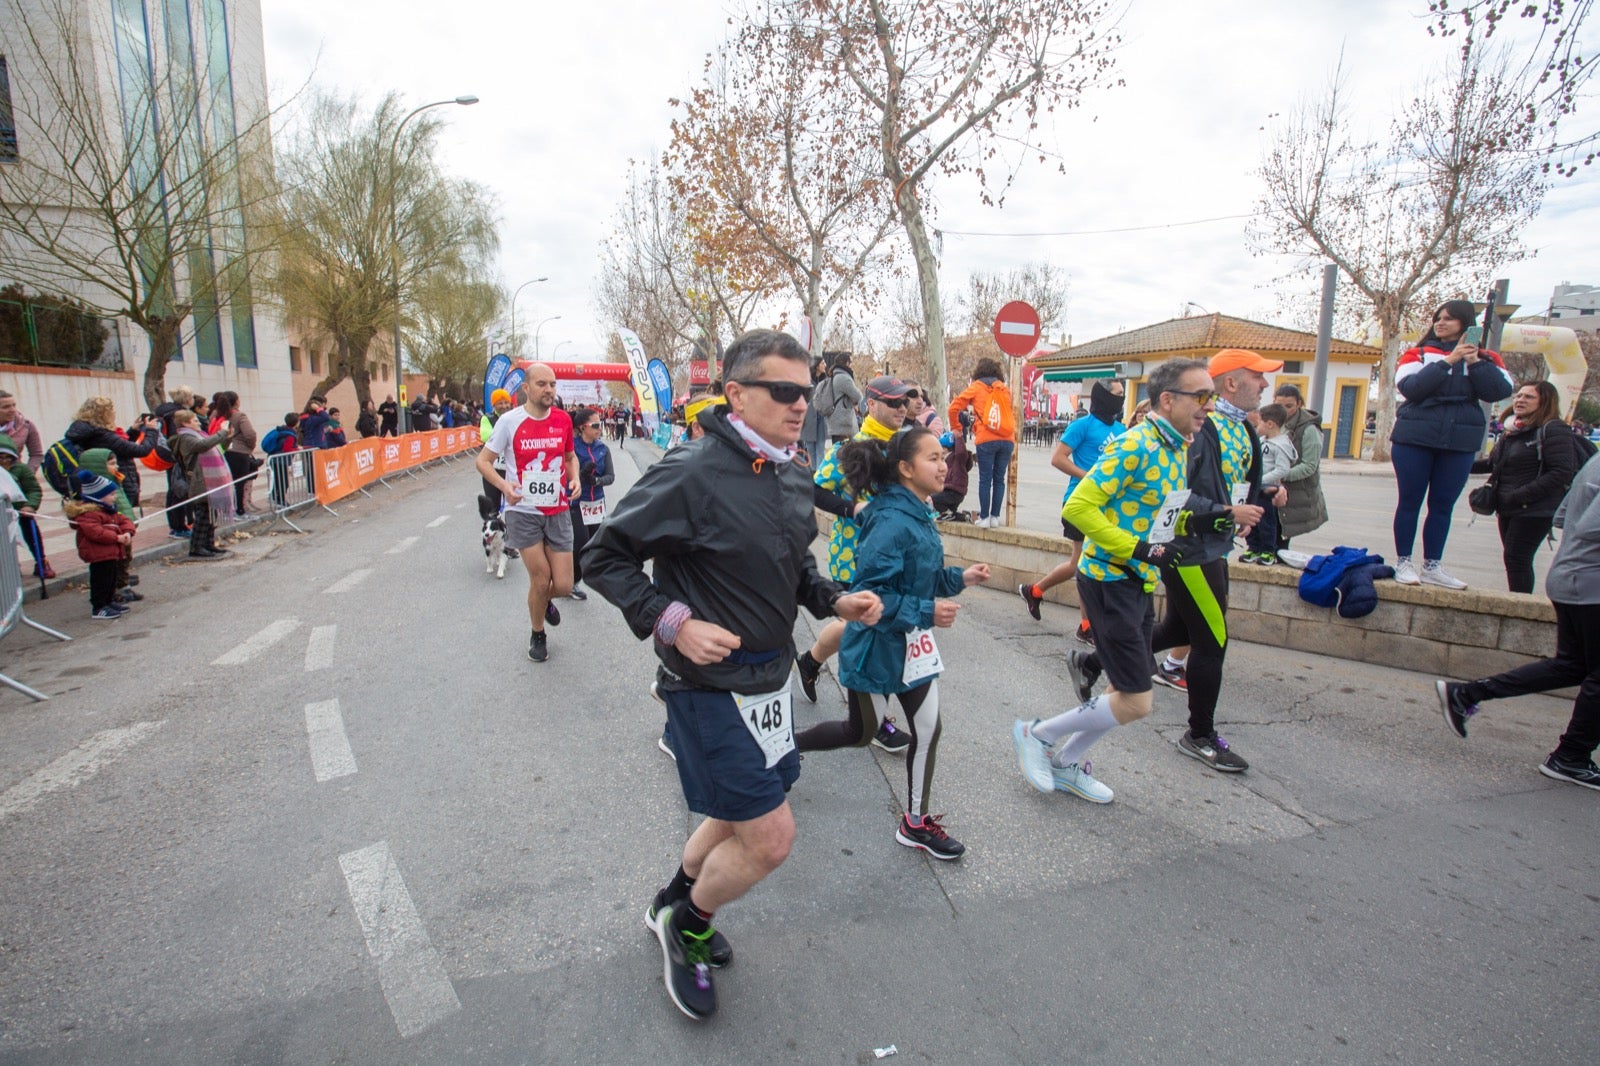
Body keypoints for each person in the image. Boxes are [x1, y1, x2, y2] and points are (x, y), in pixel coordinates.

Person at [582, 329, 883, 1021]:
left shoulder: (791, 466)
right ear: (736, 393)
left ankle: (671, 900)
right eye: (783, 391)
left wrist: (832, 598)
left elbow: (794, 563)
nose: (799, 404)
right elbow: (605, 557)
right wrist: (672, 621)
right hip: (705, 687)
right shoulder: (691, 472)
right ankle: (686, 925)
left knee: (733, 810)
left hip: (770, 684)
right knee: (771, 837)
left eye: (805, 392)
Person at [1012, 358, 1219, 802]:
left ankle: (1066, 765)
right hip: (1109, 579)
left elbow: (1162, 512)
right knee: (1136, 700)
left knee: (1120, 691)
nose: (1209, 406)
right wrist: (1139, 549)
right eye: (1201, 396)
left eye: (1212, 396)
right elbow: (1078, 508)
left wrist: (1215, 520)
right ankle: (1038, 734)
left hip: (1139, 580)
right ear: (1168, 399)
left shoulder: (1178, 446)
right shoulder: (1134, 445)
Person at [795, 425, 989, 860]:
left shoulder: (920, 511)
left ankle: (915, 823)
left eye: (944, 457)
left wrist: (962, 579)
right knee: (859, 732)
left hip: (913, 651)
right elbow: (869, 596)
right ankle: (790, 746)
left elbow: (928, 577)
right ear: (905, 468)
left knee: (927, 729)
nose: (944, 465)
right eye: (933, 459)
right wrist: (926, 612)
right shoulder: (888, 520)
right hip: (877, 649)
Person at [1437, 450, 1600, 791]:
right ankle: (1570, 756)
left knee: (1571, 666)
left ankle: (1466, 694)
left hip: (1573, 577)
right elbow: (1588, 526)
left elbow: (1564, 515)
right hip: (1589, 585)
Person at [798, 375, 913, 753]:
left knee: (855, 629)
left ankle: (810, 662)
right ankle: (872, 721)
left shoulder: (905, 447)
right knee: (872, 638)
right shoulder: (853, 448)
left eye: (905, 402)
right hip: (858, 560)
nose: (901, 409)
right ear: (872, 404)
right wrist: (852, 508)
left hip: (897, 561)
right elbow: (815, 489)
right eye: (893, 402)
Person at [1390, 299, 1515, 589]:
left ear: (1465, 323)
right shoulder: (1418, 353)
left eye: (1448, 318)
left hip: (1459, 440)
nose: (1440, 323)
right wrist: (1448, 361)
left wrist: (1472, 361)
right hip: (1415, 437)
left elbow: (1498, 391)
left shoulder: (1488, 359)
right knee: (1410, 501)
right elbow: (1411, 389)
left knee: (1442, 505)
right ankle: (1403, 561)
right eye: (1438, 317)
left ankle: (1433, 565)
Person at [475, 364, 579, 663]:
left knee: (563, 584)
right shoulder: (509, 421)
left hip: (558, 509)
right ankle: (538, 633)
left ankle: (543, 602)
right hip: (523, 511)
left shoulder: (563, 420)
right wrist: (505, 486)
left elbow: (569, 457)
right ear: (526, 388)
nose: (549, 390)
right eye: (542, 384)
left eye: (553, 384)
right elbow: (483, 461)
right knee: (540, 577)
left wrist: (576, 478)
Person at [1018, 379, 1125, 635]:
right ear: (1103, 396)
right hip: (1080, 501)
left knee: (1081, 563)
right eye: (1117, 394)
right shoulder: (1082, 426)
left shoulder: (1122, 430)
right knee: (1084, 563)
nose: (1121, 399)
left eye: (1123, 395)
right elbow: (1058, 458)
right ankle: (1086, 626)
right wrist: (1087, 476)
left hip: (1109, 505)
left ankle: (1034, 591)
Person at [1473, 380, 1585, 593]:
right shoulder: (1514, 430)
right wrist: (1454, 465)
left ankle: (1519, 606)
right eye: (1519, 396)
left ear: (1545, 402)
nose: (1520, 400)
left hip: (1535, 509)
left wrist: (1520, 495)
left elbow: (1562, 472)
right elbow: (1492, 463)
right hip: (1508, 506)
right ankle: (1517, 601)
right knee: (1513, 558)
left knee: (1517, 558)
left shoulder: (1553, 429)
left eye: (1529, 397)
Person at [947, 357, 1017, 527]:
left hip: (986, 438)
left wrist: (957, 428)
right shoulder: (1004, 389)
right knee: (999, 478)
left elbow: (953, 407)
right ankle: (994, 518)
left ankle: (984, 517)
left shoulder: (976, 387)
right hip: (1007, 439)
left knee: (985, 478)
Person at [64, 471, 136, 619]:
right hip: (98, 554)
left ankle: (109, 601)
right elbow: (96, 533)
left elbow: (124, 520)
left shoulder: (110, 511)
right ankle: (98, 607)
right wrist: (117, 537)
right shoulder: (88, 514)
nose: (114, 497)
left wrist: (128, 532)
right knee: (101, 581)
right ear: (98, 496)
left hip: (111, 553)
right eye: (111, 495)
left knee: (111, 579)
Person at [170, 409, 233, 559]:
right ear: (185, 423)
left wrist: (227, 437)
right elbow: (203, 445)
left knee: (211, 515)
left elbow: (216, 447)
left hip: (210, 481)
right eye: (194, 420)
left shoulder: (199, 435)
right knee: (203, 515)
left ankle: (208, 544)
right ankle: (197, 547)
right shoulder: (185, 437)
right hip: (200, 480)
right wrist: (221, 433)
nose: (198, 422)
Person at [1272, 384, 1328, 551]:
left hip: (1294, 493)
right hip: (1273, 487)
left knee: (1280, 537)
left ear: (1299, 404)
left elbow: (1310, 466)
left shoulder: (1309, 430)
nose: (1283, 410)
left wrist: (1281, 475)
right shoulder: (1271, 421)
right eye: (1279, 406)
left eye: (1288, 406)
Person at [568, 407, 614, 603]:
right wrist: (580, 476)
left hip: (596, 504)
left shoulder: (603, 449)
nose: (598, 429)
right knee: (579, 545)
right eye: (594, 425)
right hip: (577, 503)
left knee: (593, 546)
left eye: (600, 424)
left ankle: (577, 579)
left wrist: (596, 481)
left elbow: (610, 477)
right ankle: (570, 582)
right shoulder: (571, 448)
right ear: (582, 427)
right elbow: (565, 475)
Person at [1240, 403, 1294, 565]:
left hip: (1267, 491)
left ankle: (1269, 550)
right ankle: (1253, 547)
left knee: (1266, 522)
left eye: (1260, 423)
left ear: (1270, 424)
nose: (1257, 427)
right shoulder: (1262, 441)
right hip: (1254, 489)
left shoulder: (1281, 445)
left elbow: (1282, 469)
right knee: (1251, 519)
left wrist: (1261, 480)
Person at [0, 434, 51, 578]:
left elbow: (33, 489)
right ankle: (11, 567)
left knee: (30, 530)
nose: (4, 461)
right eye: (0, 457)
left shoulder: (21, 470)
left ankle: (41, 560)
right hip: (2, 513)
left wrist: (30, 506)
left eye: (7, 457)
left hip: (20, 511)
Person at [210, 392, 258, 514]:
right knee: (239, 483)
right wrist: (249, 447)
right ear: (236, 401)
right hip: (238, 452)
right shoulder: (239, 415)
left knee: (224, 482)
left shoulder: (215, 415)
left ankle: (224, 510)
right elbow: (250, 434)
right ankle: (239, 510)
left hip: (219, 451)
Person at [478, 389, 516, 513]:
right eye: (500, 403)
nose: (504, 406)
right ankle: (494, 530)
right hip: (492, 468)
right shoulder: (487, 418)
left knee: (513, 504)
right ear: (494, 405)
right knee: (492, 506)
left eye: (506, 403)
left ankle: (511, 531)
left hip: (510, 469)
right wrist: (506, 435)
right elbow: (485, 436)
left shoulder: (515, 416)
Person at [815, 350, 863, 443]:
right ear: (846, 363)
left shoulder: (834, 375)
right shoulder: (843, 378)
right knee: (844, 454)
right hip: (843, 425)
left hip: (836, 423)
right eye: (851, 362)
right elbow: (858, 396)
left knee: (838, 451)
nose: (852, 365)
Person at [930, 429, 974, 519]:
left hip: (955, 492)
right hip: (951, 490)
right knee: (952, 511)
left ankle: (947, 513)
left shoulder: (958, 458)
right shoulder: (946, 460)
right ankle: (960, 516)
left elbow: (961, 451)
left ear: (948, 448)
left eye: (943, 448)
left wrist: (958, 436)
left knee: (934, 499)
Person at [0, 390, 44, 469]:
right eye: (6, 407)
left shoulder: (26, 425)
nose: (13, 410)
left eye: (14, 405)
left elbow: (37, 454)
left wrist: (27, 473)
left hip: (14, 476)